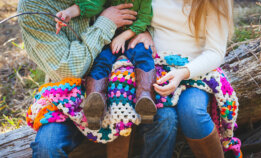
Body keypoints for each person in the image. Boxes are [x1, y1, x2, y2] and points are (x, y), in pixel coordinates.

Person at [17, 0, 177, 157]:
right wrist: (106, 22)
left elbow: (146, 12)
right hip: (68, 93)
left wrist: (142, 31)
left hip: (126, 75)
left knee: (166, 120)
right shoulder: (34, 6)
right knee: (47, 146)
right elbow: (68, 70)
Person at [128, 0, 234, 157]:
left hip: (196, 71)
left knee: (192, 112)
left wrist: (183, 73)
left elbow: (215, 52)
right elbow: (139, 14)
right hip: (155, 67)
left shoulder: (215, 3)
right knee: (163, 117)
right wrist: (142, 31)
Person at [54, 0, 156, 130]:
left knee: (143, 56)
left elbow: (144, 19)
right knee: (101, 60)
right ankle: (95, 103)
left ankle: (145, 97)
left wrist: (124, 36)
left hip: (133, 36)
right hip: (110, 36)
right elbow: (92, 4)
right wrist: (69, 13)